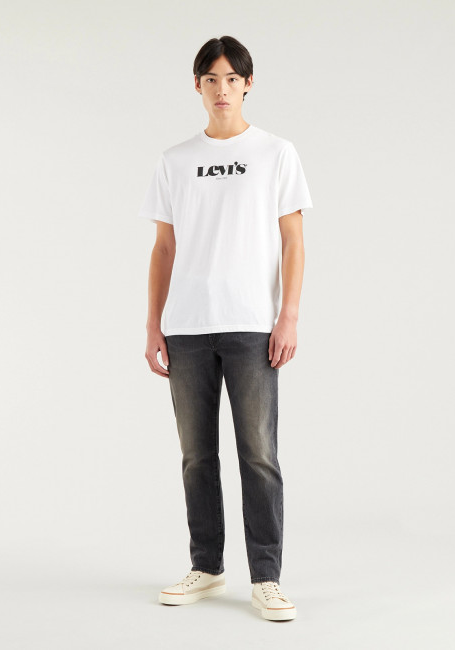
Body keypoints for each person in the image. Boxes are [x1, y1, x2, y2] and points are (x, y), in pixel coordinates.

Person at [138, 35, 313, 622]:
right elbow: (164, 249)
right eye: (211, 79)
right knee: (196, 456)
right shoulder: (174, 160)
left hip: (251, 324)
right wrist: (153, 324)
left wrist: (288, 315)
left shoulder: (275, 153)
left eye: (231, 79)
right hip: (187, 326)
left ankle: (267, 578)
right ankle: (207, 567)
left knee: (259, 454)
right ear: (197, 85)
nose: (221, 89)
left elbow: (293, 240)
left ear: (247, 84)